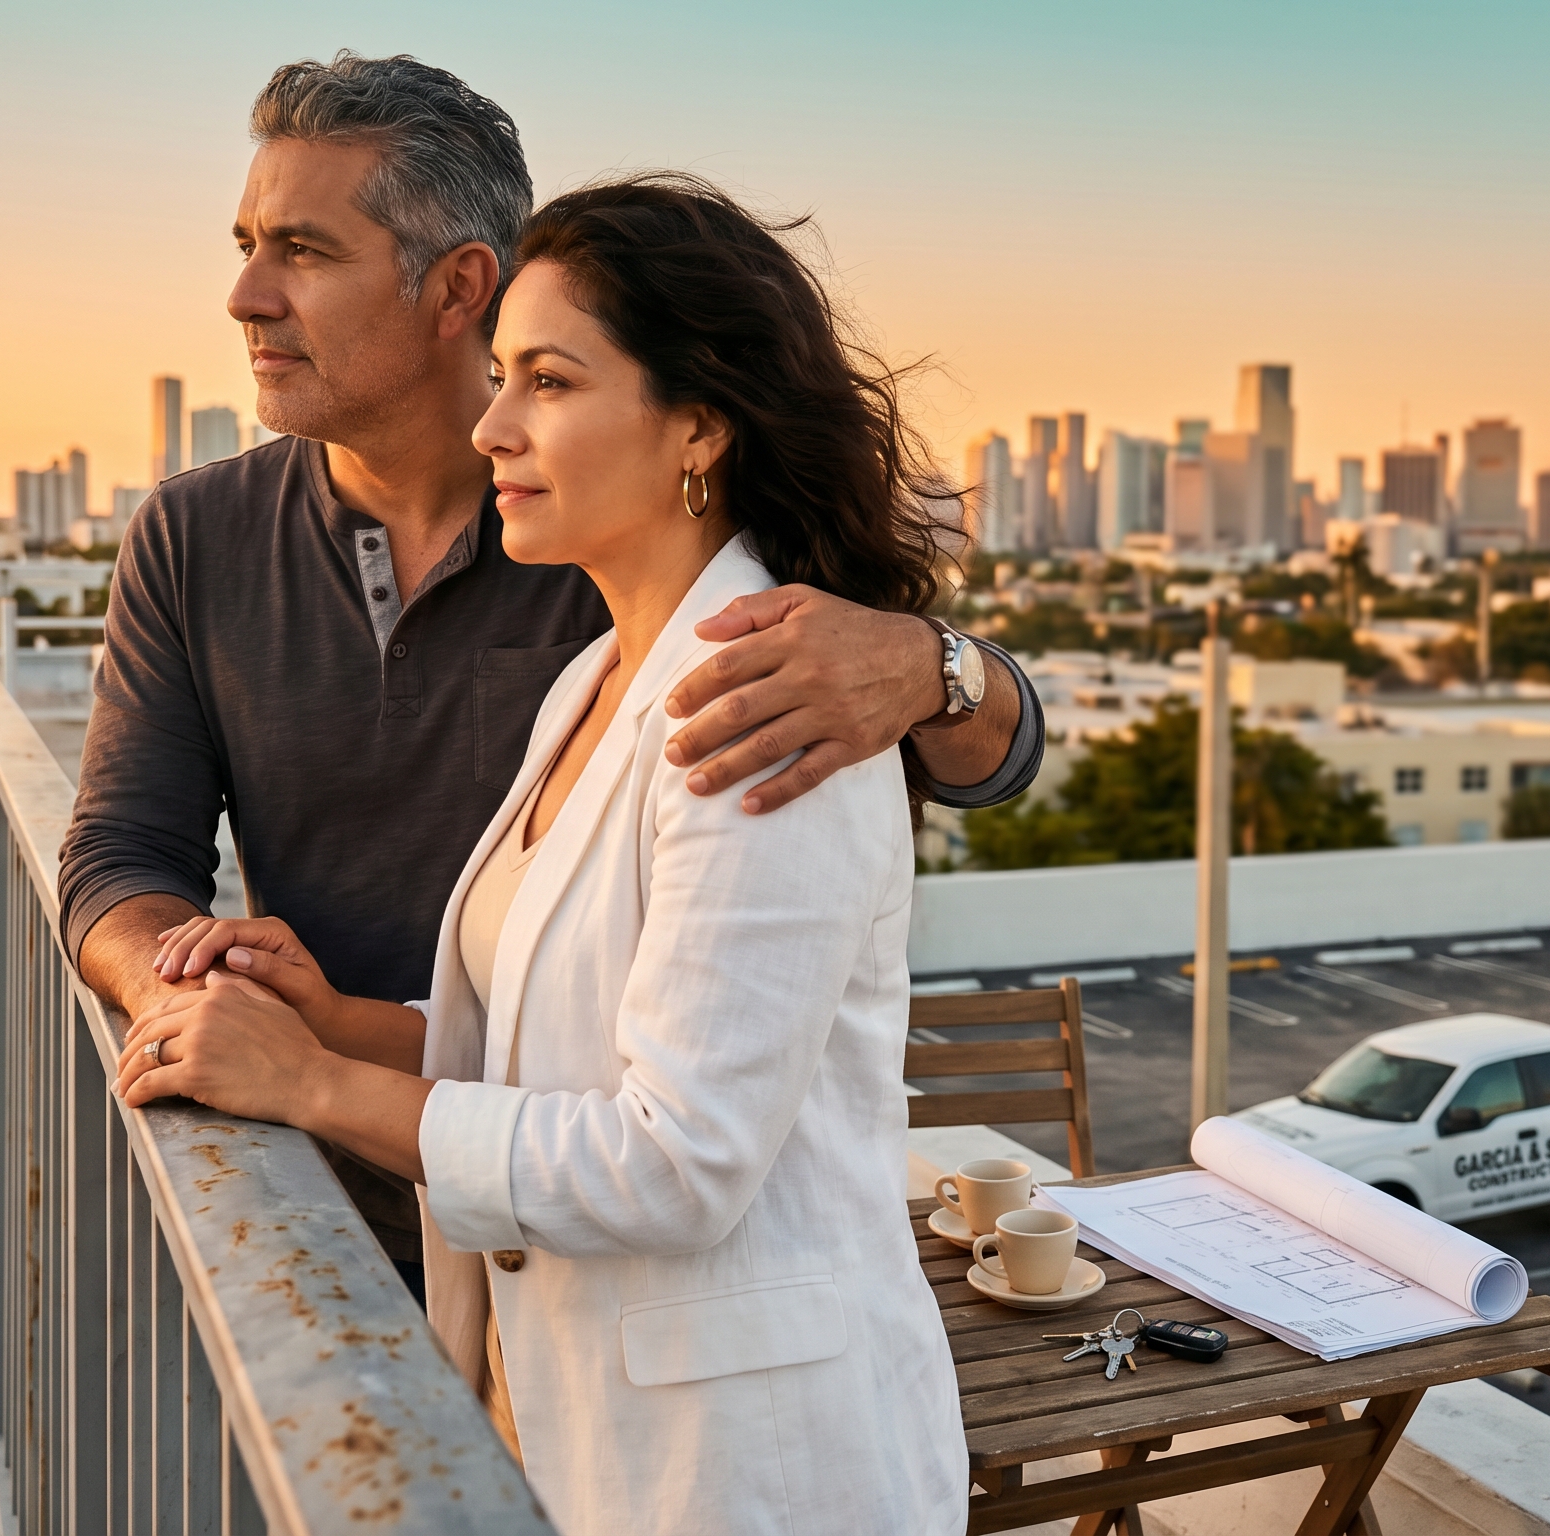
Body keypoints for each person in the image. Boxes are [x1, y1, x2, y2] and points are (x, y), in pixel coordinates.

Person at [57, 54, 1041, 1283]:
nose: (245, 295)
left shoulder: (630, 549)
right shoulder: (194, 537)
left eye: (302, 250)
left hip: (585, 1247)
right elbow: (117, 858)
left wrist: (935, 663)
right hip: (317, 1197)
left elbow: (974, 765)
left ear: (459, 285)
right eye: (247, 242)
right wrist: (201, 1007)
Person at [116, 174, 969, 1533]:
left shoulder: (765, 703)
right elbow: (561, 1042)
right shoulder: (596, 681)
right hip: (571, 1425)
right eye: (501, 375)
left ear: (699, 423)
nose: (494, 422)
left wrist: (319, 1083)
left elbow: (677, 1159)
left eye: (551, 383)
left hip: (748, 1472)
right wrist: (340, 1018)